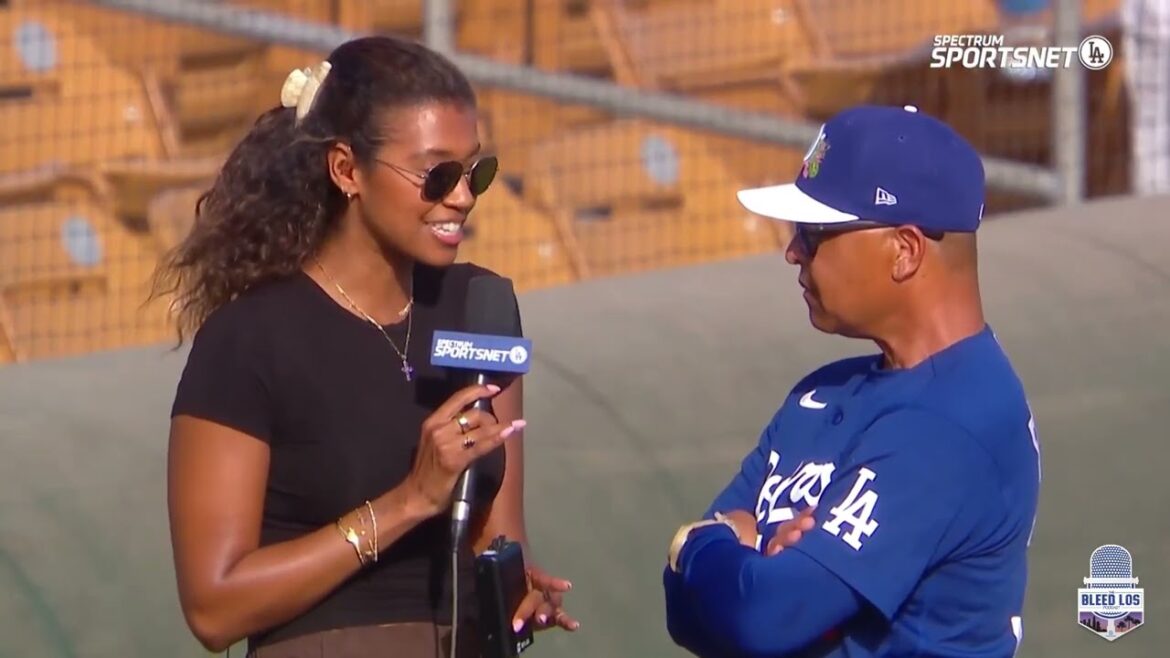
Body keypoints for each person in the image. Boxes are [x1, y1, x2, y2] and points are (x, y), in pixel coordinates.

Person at [153, 35, 578, 657]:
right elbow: (214, 609)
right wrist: (408, 502)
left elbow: (498, 538)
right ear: (347, 170)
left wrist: (516, 589)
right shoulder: (249, 340)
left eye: (474, 171)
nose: (461, 196)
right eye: (437, 174)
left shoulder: (481, 307)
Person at [662, 105, 1042, 657]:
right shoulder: (823, 392)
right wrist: (745, 559)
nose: (792, 251)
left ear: (904, 250)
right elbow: (690, 615)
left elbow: (763, 617)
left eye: (814, 233)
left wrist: (697, 543)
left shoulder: (956, 424)